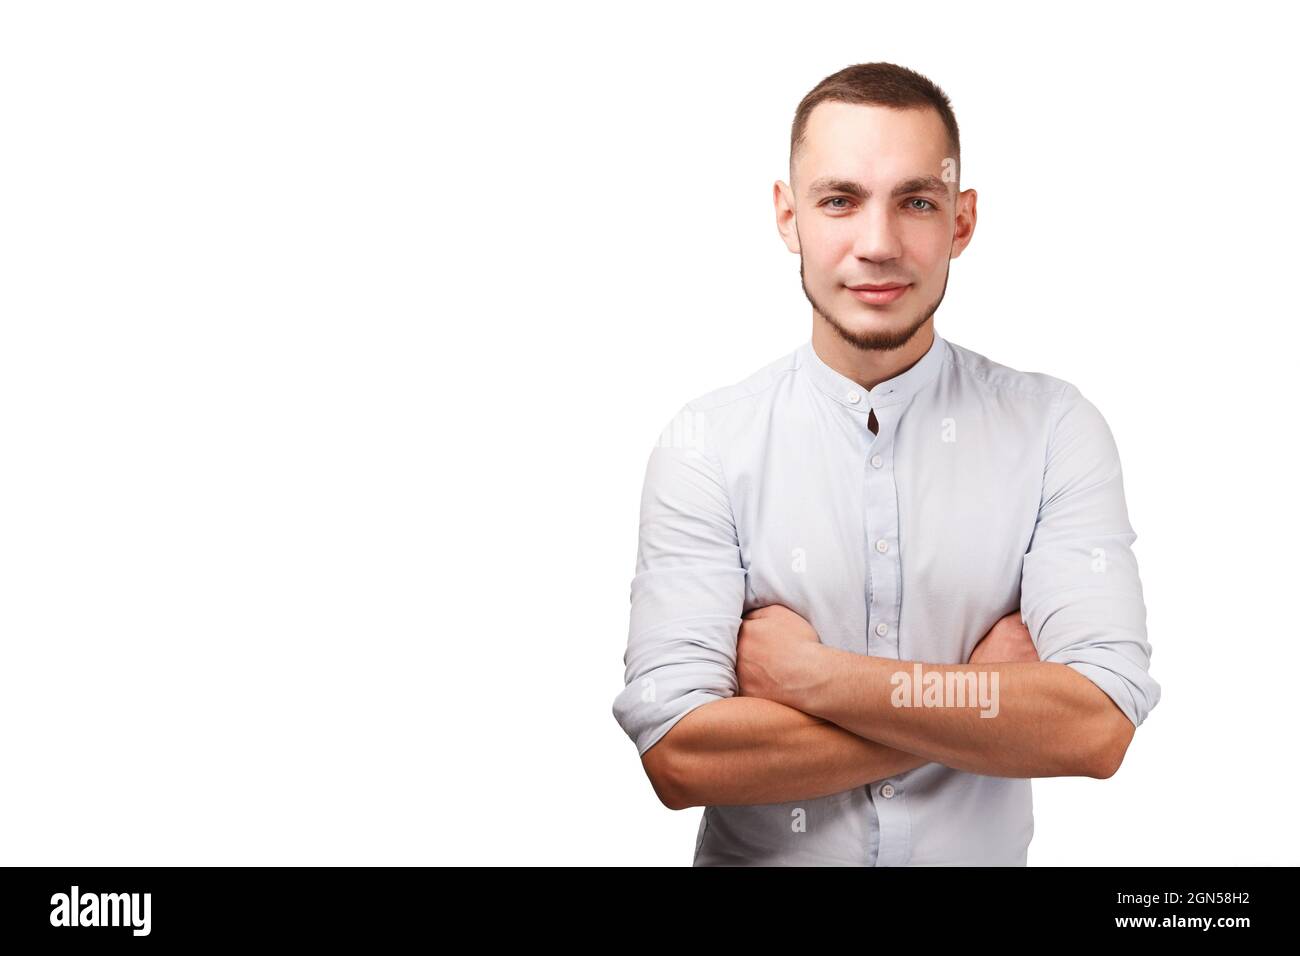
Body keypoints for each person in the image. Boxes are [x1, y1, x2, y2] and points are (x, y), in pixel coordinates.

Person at [611, 62, 1160, 866]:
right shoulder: (706, 446)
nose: (879, 244)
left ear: (961, 223)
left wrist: (812, 676)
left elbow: (1097, 727)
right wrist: (976, 699)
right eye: (839, 200)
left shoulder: (1054, 431)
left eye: (917, 202)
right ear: (786, 215)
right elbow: (679, 756)